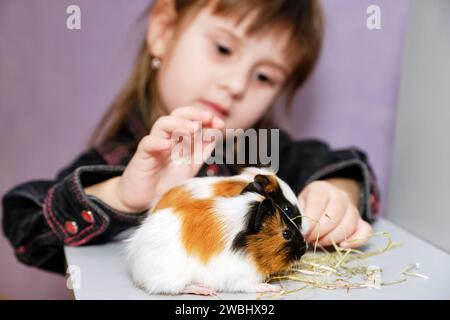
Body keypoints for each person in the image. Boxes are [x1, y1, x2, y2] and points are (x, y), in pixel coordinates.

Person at [2, 0, 380, 275]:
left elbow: (339, 164)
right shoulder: (118, 160)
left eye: (264, 76)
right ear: (163, 31)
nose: (234, 85)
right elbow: (25, 226)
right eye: (223, 49)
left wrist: (338, 192)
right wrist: (121, 196)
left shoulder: (264, 152)